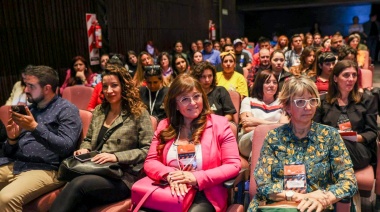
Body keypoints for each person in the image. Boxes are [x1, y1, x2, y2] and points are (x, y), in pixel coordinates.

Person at [50, 64, 154, 211]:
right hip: (96, 168)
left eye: (114, 85)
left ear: (124, 86)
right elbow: (88, 139)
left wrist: (116, 157)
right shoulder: (99, 110)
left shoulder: (138, 113)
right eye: (105, 86)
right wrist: (84, 149)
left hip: (122, 176)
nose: (109, 91)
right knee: (78, 201)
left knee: (78, 185)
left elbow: (147, 150)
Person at [248, 75, 357, 211]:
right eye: (300, 102)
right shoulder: (274, 137)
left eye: (312, 100)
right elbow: (263, 184)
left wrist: (324, 198)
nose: (308, 107)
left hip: (316, 207)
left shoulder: (329, 136)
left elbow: (348, 181)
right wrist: (298, 196)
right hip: (277, 205)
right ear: (287, 106)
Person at [143, 74, 241, 212]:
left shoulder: (219, 124)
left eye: (196, 96)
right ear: (175, 105)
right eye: (185, 99)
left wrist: (196, 177)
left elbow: (233, 165)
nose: (193, 103)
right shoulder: (164, 126)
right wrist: (169, 174)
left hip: (204, 193)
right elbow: (150, 161)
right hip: (168, 188)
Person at [0, 65, 82, 210]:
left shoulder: (67, 110)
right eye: (26, 85)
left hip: (47, 168)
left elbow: (66, 147)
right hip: (17, 163)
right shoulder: (30, 109)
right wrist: (12, 139)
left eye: (31, 86)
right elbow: (8, 151)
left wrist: (34, 127)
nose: (26, 90)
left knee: (5, 198)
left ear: (47, 88)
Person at [314, 60, 377, 170]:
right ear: (335, 78)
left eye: (354, 75)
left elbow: (372, 132)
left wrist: (354, 138)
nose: (351, 79)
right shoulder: (322, 101)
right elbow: (315, 128)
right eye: (346, 75)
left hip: (358, 149)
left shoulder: (367, 100)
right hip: (329, 146)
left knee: (339, 141)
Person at [239, 70, 288, 158]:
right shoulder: (248, 101)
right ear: (260, 84)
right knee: (256, 134)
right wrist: (276, 125)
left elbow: (284, 126)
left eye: (274, 82)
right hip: (248, 142)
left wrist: (255, 121)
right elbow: (247, 128)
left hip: (275, 140)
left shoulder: (282, 103)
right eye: (267, 82)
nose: (272, 85)